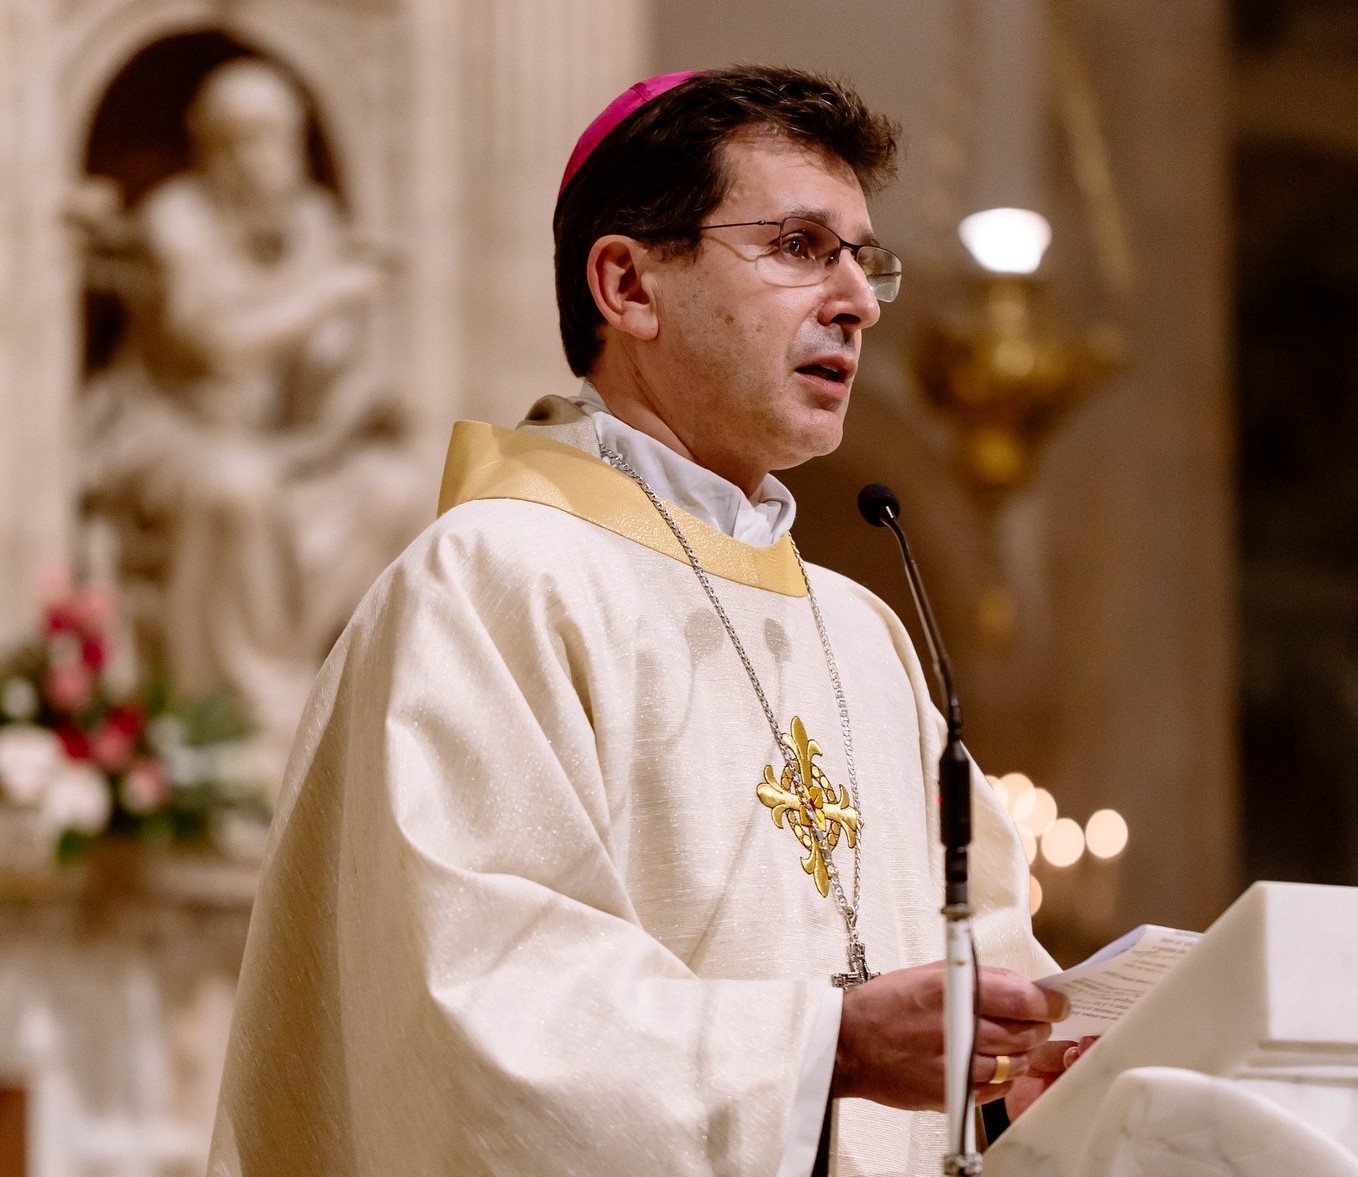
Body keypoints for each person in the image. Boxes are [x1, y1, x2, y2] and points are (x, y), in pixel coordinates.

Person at [208, 66, 1084, 1176]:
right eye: (799, 246)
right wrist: (829, 1045)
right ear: (627, 284)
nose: (857, 302)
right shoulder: (491, 582)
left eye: (864, 262)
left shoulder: (863, 629)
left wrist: (1049, 1064)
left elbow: (989, 962)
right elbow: (481, 1010)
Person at [75, 59, 422, 776]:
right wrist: (329, 292)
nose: (266, 158)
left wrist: (352, 370)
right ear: (212, 147)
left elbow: (328, 366)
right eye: (246, 139)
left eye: (278, 137)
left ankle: (334, 692)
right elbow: (215, 343)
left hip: (284, 443)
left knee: (392, 488)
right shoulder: (177, 216)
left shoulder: (313, 219)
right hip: (168, 433)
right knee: (235, 487)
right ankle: (237, 715)